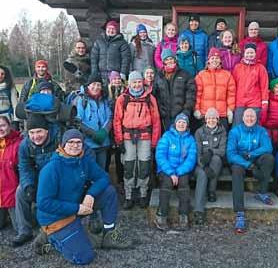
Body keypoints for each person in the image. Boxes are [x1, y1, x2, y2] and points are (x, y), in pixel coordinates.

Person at [35, 130, 133, 265]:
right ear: (63, 145)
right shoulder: (51, 169)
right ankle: (50, 239)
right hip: (56, 219)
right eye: (71, 142)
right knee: (84, 257)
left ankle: (109, 234)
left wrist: (90, 194)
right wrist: (77, 209)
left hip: (77, 207)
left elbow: (103, 177)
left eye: (78, 142)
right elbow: (43, 203)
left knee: (109, 192)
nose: (75, 145)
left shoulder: (83, 160)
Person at [113, 71, 162, 209]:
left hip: (145, 136)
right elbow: (117, 120)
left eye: (139, 82)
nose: (137, 85)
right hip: (128, 137)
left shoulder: (149, 98)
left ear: (143, 82)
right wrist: (119, 140)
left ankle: (143, 193)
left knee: (144, 165)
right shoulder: (123, 99)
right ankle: (128, 195)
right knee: (128, 166)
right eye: (134, 82)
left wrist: (154, 142)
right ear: (129, 83)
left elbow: (156, 121)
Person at [13, 114, 58, 247]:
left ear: (47, 130)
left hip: (55, 178)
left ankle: (49, 228)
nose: (36, 136)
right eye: (32, 132)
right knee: (20, 191)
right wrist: (28, 186)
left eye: (39, 131)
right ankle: (24, 230)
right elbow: (24, 168)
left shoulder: (57, 139)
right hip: (36, 177)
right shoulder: (25, 145)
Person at [227, 108, 275, 233]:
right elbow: (231, 154)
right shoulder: (235, 131)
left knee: (269, 158)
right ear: (242, 118)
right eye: (247, 116)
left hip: (254, 158)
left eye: (252, 116)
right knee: (236, 170)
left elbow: (267, 147)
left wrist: (251, 154)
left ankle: (262, 192)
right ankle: (239, 212)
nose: (250, 119)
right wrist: (248, 164)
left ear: (256, 118)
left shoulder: (261, 131)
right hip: (240, 160)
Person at [154, 114, 197, 231]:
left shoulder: (190, 139)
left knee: (184, 184)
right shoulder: (167, 136)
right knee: (167, 183)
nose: (181, 124)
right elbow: (160, 155)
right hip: (166, 169)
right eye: (179, 122)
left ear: (187, 125)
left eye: (184, 122)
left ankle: (184, 215)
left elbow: (191, 159)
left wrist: (178, 172)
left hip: (182, 170)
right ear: (175, 123)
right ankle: (161, 215)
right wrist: (171, 172)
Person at [193, 108, 227, 225]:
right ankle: (198, 211)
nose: (211, 120)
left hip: (214, 163)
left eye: (214, 118)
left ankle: (211, 190)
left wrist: (211, 152)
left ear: (217, 120)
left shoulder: (222, 131)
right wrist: (203, 166)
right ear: (205, 119)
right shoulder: (199, 132)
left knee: (216, 159)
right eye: (209, 118)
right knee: (202, 174)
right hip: (200, 164)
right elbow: (197, 153)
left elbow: (222, 151)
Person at [153, 49, 196, 130]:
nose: (169, 61)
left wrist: (186, 111)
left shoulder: (185, 74)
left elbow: (191, 94)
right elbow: (156, 96)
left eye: (171, 58)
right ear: (163, 61)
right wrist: (160, 111)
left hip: (181, 115)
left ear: (175, 59)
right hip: (165, 116)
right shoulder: (159, 76)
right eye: (166, 59)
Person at [75, 74, 112, 169]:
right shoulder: (82, 99)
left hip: (103, 143)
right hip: (88, 144)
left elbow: (109, 117)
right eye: (93, 84)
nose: (96, 87)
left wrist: (104, 132)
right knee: (89, 171)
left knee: (101, 170)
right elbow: (77, 121)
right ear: (88, 85)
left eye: (98, 85)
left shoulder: (104, 100)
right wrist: (93, 134)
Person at [194, 48, 236, 129]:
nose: (214, 60)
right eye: (212, 58)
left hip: (222, 114)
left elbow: (231, 94)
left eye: (217, 58)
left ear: (220, 60)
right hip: (205, 114)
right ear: (208, 61)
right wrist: (196, 109)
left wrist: (230, 109)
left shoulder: (227, 75)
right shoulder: (201, 75)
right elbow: (197, 94)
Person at [231, 43, 269, 125]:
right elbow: (233, 86)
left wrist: (264, 102)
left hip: (254, 102)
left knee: (253, 125)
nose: (249, 55)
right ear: (244, 54)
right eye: (247, 53)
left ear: (255, 54)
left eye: (252, 53)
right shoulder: (238, 67)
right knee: (238, 125)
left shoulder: (260, 68)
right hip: (239, 101)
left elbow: (264, 86)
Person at [91, 19, 131, 85]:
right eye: (109, 28)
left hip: (116, 74)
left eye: (113, 29)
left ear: (117, 31)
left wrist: (123, 73)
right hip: (101, 74)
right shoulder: (99, 41)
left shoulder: (122, 43)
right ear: (106, 29)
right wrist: (94, 71)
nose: (111, 31)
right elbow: (94, 58)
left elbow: (126, 59)